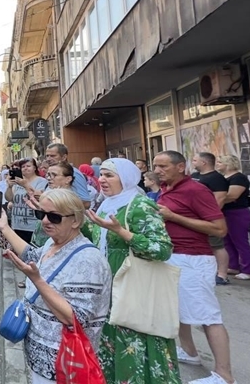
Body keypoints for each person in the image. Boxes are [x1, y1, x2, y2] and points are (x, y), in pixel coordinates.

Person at [0, 189, 112, 384]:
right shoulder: (54, 242)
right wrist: (4, 227)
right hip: (43, 359)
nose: (45, 221)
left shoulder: (88, 261)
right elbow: (33, 257)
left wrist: (37, 281)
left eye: (54, 217)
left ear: (75, 220)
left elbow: (76, 319)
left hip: (63, 364)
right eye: (41, 214)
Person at [84, 159, 180, 384]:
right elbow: (98, 239)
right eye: (102, 175)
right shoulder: (106, 204)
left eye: (109, 175)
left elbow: (162, 249)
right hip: (110, 290)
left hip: (133, 288)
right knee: (110, 343)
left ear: (125, 178)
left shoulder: (140, 205)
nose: (102, 179)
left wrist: (123, 232)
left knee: (133, 340)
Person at [154, 151, 236, 384]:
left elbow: (219, 229)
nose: (158, 170)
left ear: (181, 167)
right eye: (155, 166)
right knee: (179, 310)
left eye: (163, 166)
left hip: (194, 259)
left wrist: (174, 217)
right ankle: (190, 352)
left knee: (208, 316)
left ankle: (225, 374)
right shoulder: (167, 188)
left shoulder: (196, 190)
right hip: (174, 256)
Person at [191, 152, 231, 285]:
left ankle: (222, 274)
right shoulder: (194, 176)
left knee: (216, 246)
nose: (193, 162)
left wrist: (209, 218)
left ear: (204, 162)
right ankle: (206, 271)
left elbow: (219, 200)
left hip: (209, 219)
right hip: (194, 218)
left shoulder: (216, 178)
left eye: (195, 160)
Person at [216, 155, 250, 280]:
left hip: (237, 212)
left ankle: (248, 270)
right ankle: (233, 265)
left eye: (220, 162)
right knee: (227, 240)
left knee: (240, 241)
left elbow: (233, 195)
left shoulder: (238, 178)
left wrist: (216, 200)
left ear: (228, 163)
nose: (217, 164)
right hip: (225, 212)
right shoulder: (223, 178)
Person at [31, 162, 77, 247]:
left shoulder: (72, 201)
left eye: (54, 175)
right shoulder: (48, 195)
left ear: (68, 179)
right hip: (41, 247)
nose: (49, 178)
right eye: (48, 175)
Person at [44, 143, 92, 209]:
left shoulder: (74, 173)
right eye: (47, 156)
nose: (48, 159)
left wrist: (60, 208)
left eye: (53, 156)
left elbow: (86, 203)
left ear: (64, 157)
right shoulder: (50, 171)